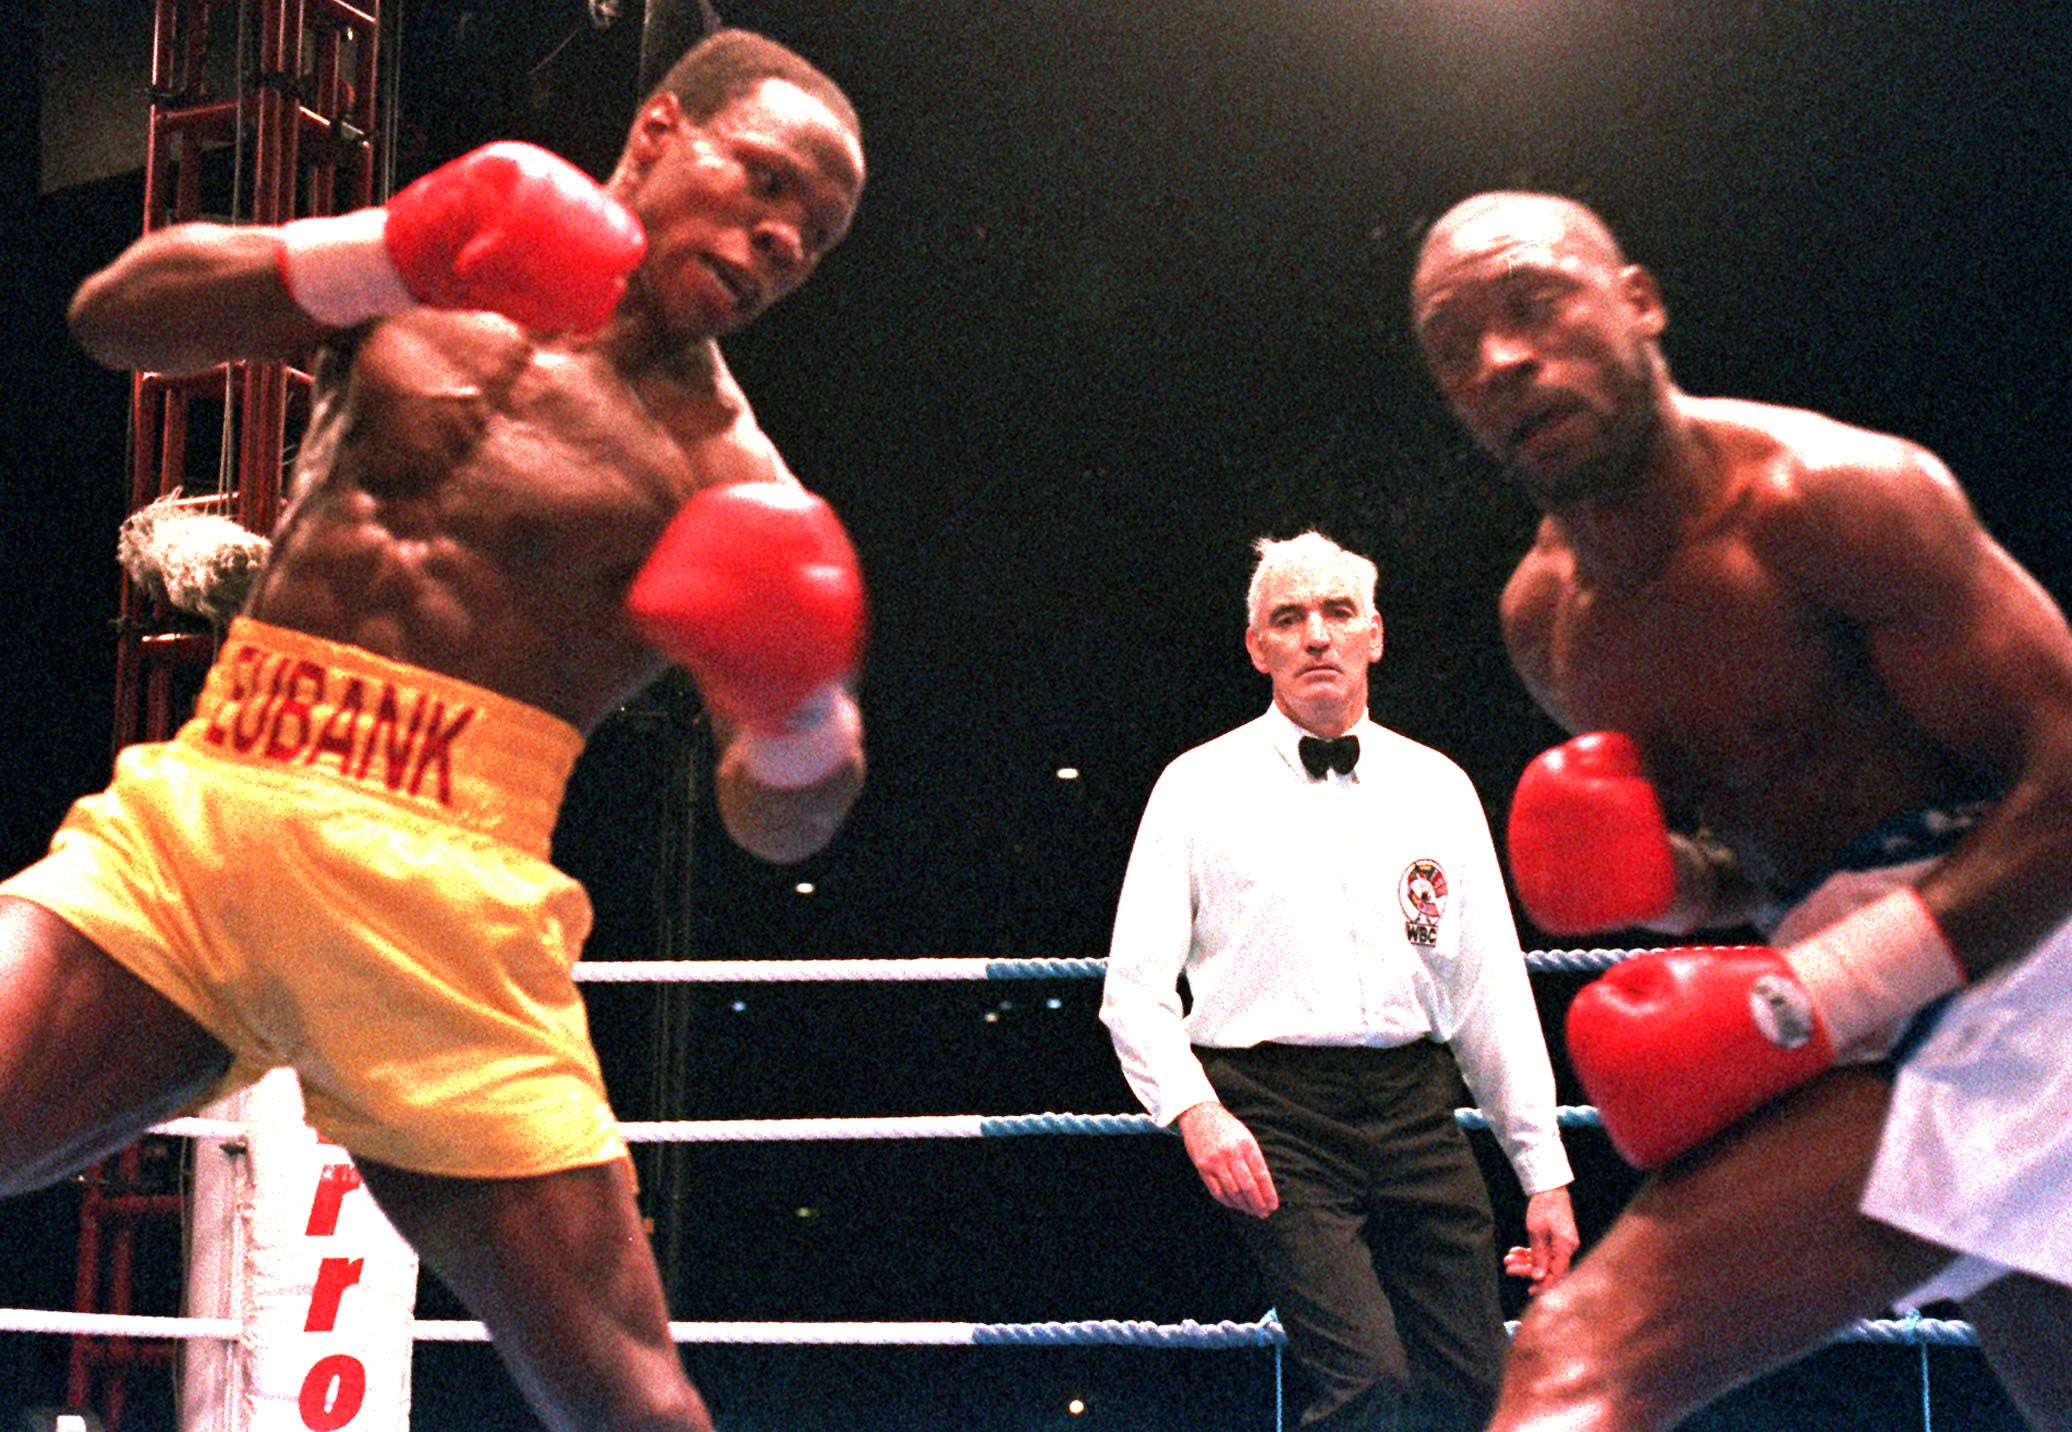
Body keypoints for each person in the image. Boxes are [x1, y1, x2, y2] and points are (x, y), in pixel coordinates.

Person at [0, 28, 870, 1432]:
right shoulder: (430, 273)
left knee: (632, 1402)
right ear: (657, 131)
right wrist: (394, 249)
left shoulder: (725, 474)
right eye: (763, 181)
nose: (776, 237)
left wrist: (801, 713)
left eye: (811, 235)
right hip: (209, 817)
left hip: (445, 911)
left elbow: (781, 822)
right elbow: (118, 316)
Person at [1409, 189, 2072, 1431]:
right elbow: (1761, 859)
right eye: (1456, 345)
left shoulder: (1830, 499)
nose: (1500, 356)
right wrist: (1670, 884)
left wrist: (1819, 992)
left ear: (1639, 302)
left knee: (1575, 1361)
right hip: (1879, 1008)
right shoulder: (1549, 624)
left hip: (2030, 965)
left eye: (1533, 302)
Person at [1100, 532, 1580, 1432]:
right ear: (1258, 647)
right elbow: (1133, 989)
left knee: (1486, 1393)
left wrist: (1543, 1174)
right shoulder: (1195, 788)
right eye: (1290, 617)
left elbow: (1490, 997)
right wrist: (1196, 1112)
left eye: (1337, 612)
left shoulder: (1439, 788)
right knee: (1368, 1385)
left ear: (1374, 634)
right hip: (1272, 1114)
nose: (1316, 634)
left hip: (1416, 1108)